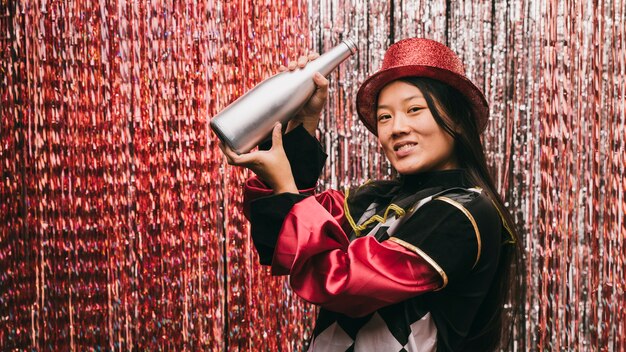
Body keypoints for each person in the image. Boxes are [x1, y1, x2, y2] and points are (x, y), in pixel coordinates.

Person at [219, 38, 522, 352]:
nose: (397, 128)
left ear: (458, 120)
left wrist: (285, 188)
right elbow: (279, 237)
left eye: (414, 109)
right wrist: (300, 123)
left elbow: (344, 284)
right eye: (384, 117)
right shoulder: (372, 200)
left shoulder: (465, 212)